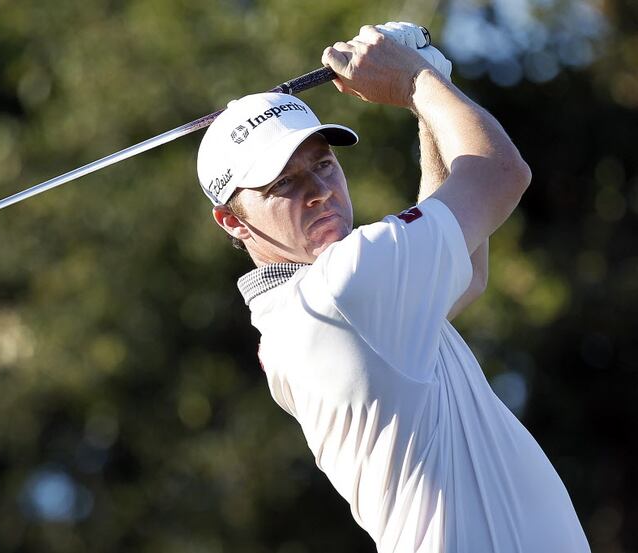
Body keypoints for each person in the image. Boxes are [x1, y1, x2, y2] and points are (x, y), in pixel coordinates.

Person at [196, 22, 590, 553]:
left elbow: (464, 274)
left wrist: (428, 101)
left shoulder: (315, 306)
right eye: (283, 183)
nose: (319, 191)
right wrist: (417, 82)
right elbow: (500, 173)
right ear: (232, 222)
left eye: (325, 164)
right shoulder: (341, 288)